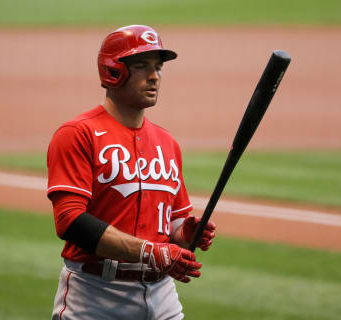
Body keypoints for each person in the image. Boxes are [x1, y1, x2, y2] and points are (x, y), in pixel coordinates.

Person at [46, 25, 217, 320]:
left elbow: (173, 233)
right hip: (95, 295)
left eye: (158, 68)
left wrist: (185, 233)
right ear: (114, 71)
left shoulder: (167, 144)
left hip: (162, 295)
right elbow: (69, 221)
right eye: (141, 66)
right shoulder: (78, 133)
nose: (154, 76)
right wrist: (151, 252)